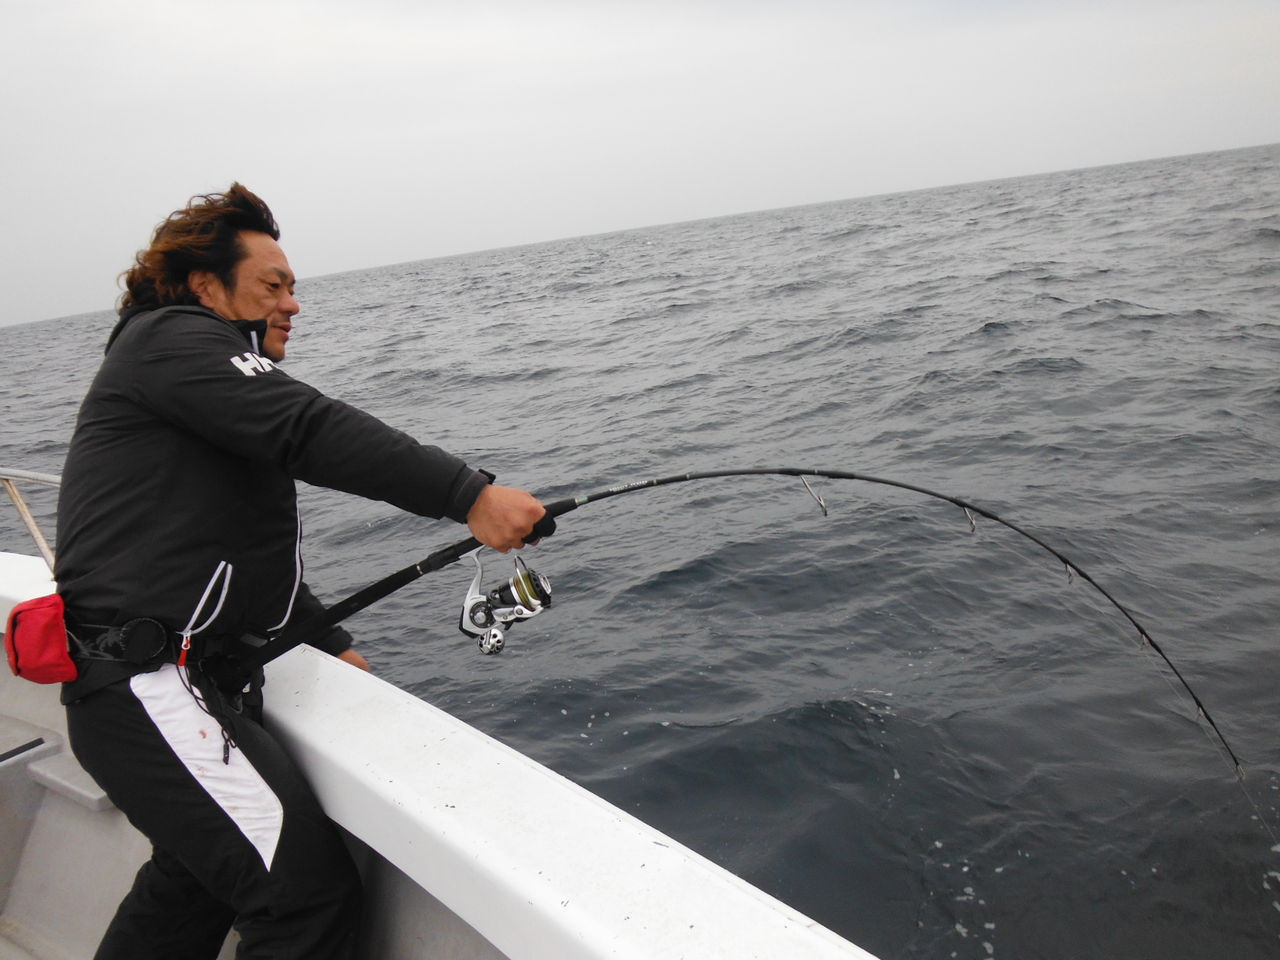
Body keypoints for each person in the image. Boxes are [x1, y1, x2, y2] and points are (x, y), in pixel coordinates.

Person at [53, 183, 548, 960]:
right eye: (272, 285)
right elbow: (306, 426)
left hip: (169, 684)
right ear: (205, 286)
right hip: (144, 686)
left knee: (193, 881)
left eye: (293, 287)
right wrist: (468, 494)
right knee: (303, 899)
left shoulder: (183, 373)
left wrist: (329, 640)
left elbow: (227, 554)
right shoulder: (170, 341)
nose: (292, 304)